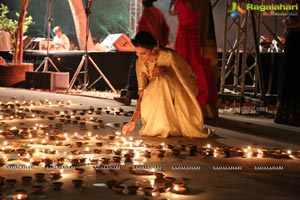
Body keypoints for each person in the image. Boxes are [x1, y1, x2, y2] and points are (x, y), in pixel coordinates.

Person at [122, 31, 213, 138]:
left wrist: (167, 70)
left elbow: (189, 77)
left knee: (162, 79)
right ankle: (160, 126)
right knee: (157, 83)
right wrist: (133, 121)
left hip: (181, 89)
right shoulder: (140, 63)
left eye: (143, 53)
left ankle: (173, 125)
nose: (140, 57)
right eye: (137, 53)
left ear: (153, 49)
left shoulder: (169, 56)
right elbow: (142, 94)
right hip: (155, 92)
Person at [169, 0, 219, 120]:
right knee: (199, 69)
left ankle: (187, 108)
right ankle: (203, 108)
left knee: (191, 69)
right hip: (193, 39)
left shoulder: (179, 2)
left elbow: (172, 12)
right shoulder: (203, 3)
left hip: (188, 38)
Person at [114, 0, 170, 105]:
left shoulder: (149, 12)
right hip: (152, 46)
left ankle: (129, 96)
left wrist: (152, 43)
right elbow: (165, 28)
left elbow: (151, 31)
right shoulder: (157, 12)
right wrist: (162, 42)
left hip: (147, 46)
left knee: (136, 70)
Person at [274, 0, 300, 127]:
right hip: (295, 43)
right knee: (291, 76)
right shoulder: (295, 6)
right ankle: (289, 114)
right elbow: (290, 20)